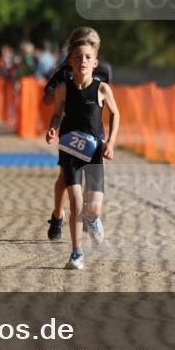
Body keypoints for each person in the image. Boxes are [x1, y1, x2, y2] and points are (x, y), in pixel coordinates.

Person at [45, 30, 120, 270]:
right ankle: (77, 253)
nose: (83, 61)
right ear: (70, 61)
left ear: (95, 62)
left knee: (93, 207)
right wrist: (52, 129)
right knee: (76, 202)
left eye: (88, 57)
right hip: (70, 150)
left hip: (95, 151)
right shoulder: (63, 89)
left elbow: (115, 113)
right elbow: (57, 114)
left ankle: (93, 219)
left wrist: (111, 142)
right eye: (78, 57)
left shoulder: (102, 88)